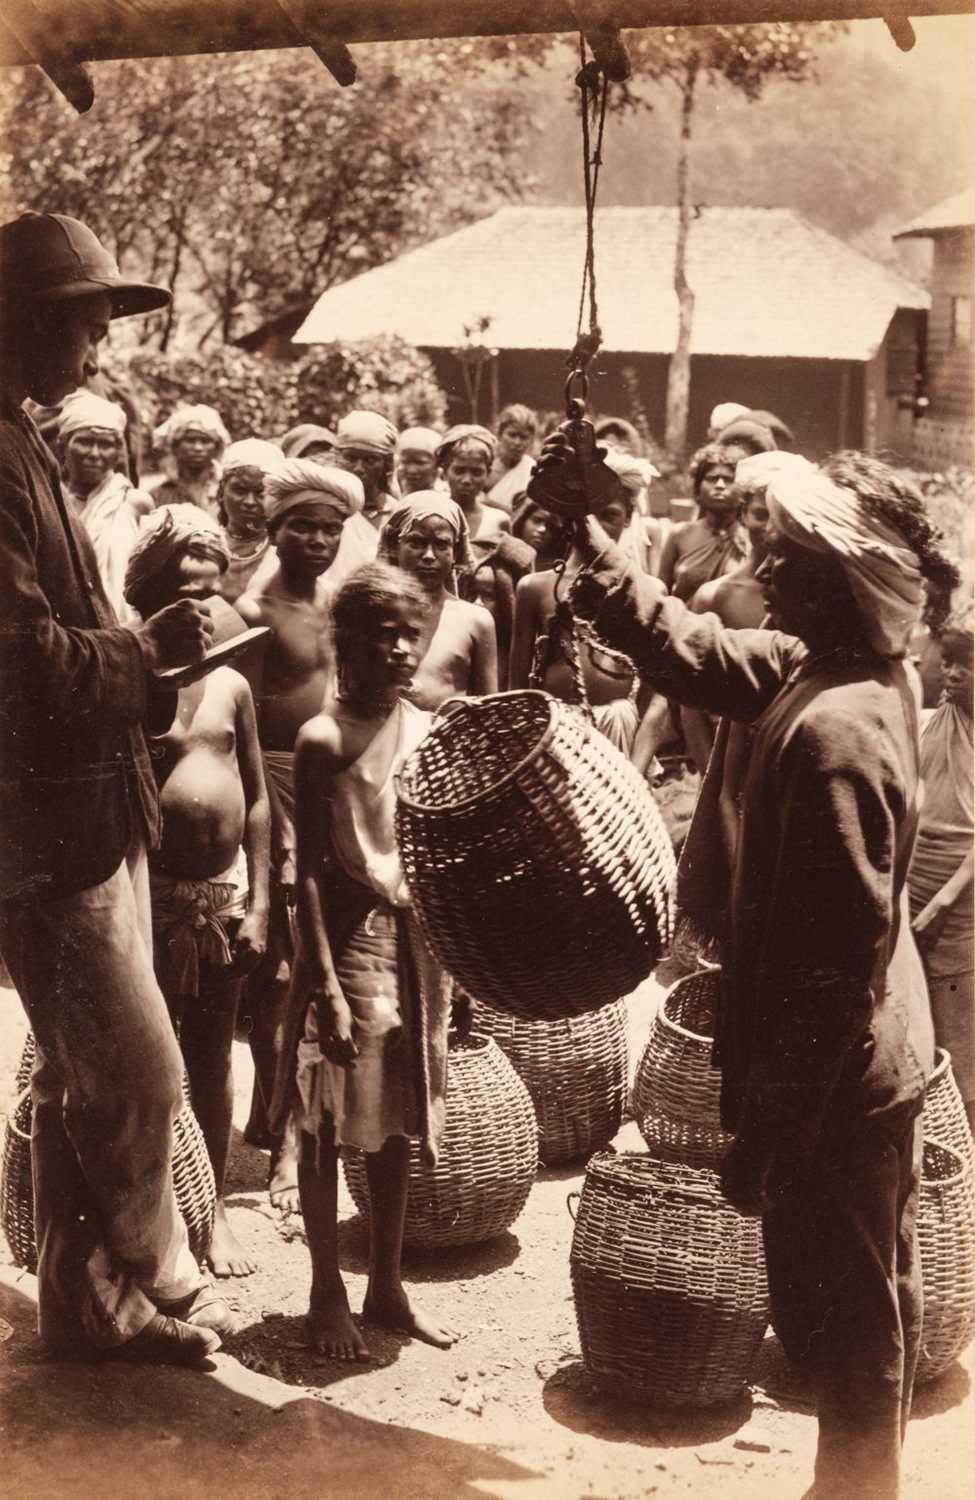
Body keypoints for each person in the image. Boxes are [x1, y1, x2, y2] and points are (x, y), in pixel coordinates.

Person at [536, 435, 955, 1500]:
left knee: (862, 1307)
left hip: (846, 1070)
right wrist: (586, 531)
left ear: (838, 577)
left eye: (783, 554)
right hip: (857, 1053)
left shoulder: (839, 733)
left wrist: (770, 1128)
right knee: (859, 1292)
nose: (760, 569)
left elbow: (834, 967)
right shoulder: (835, 671)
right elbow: (694, 649)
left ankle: (860, 1488)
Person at [0, 209, 233, 1365]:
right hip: (43, 833)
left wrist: (146, 644)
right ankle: (157, 1269)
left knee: (76, 1073)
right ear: (31, 325)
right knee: (138, 1071)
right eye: (86, 329)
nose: (99, 355)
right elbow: (20, 652)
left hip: (83, 814)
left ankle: (83, 1306)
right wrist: (146, 657)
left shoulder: (25, 439)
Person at [270, 562, 458, 1360]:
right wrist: (326, 991)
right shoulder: (323, 738)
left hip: (416, 951)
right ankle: (323, 1292)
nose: (404, 653)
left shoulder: (420, 725)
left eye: (412, 637)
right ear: (350, 644)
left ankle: (386, 1283)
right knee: (327, 1121)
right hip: (348, 948)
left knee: (399, 1125)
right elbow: (305, 869)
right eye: (386, 638)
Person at [124, 505, 271, 1278]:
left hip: (221, 898)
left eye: (211, 593)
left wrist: (262, 903)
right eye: (183, 593)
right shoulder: (132, 683)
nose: (200, 609)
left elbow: (256, 798)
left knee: (212, 1056)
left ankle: (211, 1215)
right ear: (150, 598)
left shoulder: (231, 686)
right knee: (151, 1058)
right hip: (150, 895)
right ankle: (157, 1219)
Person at [236, 457, 364, 1209]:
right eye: (303, 525)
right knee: (283, 975)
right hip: (279, 785)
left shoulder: (341, 606)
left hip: (332, 781)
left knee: (328, 962)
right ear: (272, 528)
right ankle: (283, 1142)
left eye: (330, 528)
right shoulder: (253, 609)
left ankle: (292, 1123)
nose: (317, 539)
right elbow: (244, 726)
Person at [510, 462, 651, 757]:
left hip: (620, 738)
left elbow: (659, 700)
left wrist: (636, 768)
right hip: (553, 737)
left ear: (628, 519)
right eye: (588, 516)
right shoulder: (535, 589)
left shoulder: (648, 591)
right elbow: (517, 689)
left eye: (609, 516)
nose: (596, 528)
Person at [909, 601, 974, 1132]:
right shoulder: (934, 722)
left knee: (960, 1032)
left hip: (962, 899)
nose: (950, 672)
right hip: (915, 881)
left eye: (966, 663)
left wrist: (945, 900)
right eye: (947, 660)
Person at [680, 476, 771, 774]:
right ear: (743, 514)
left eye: (781, 517)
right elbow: (690, 698)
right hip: (728, 755)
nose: (771, 527)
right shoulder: (714, 596)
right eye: (761, 514)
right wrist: (712, 776)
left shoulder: (806, 597)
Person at [377, 492, 498, 708]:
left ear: (455, 552)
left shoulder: (475, 620)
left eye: (442, 545)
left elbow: (488, 708)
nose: (429, 556)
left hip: (447, 739)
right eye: (417, 542)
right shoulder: (373, 612)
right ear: (395, 547)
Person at [56, 387, 154, 619]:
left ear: (119, 452)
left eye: (105, 444)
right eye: (85, 441)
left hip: (123, 624)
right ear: (62, 446)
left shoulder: (135, 503)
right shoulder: (51, 499)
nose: (94, 453)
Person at [657, 442, 750, 601]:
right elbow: (660, 595)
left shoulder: (750, 540)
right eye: (712, 478)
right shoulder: (679, 535)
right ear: (698, 488)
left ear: (742, 490)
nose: (720, 485)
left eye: (728, 479)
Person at [330, 410, 399, 578]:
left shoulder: (398, 514)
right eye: (351, 458)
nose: (359, 468)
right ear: (337, 457)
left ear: (387, 464)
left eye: (370, 460)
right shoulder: (327, 508)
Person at [215, 437, 285, 604]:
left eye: (260, 492)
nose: (249, 502)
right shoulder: (204, 542)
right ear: (221, 491)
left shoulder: (284, 548)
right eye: (240, 490)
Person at [436, 425, 510, 560]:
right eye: (459, 470)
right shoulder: (433, 514)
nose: (466, 480)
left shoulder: (498, 520)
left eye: (476, 472)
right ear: (445, 471)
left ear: (488, 473)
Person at [150, 404, 230, 519]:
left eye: (205, 441)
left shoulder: (227, 491)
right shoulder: (157, 495)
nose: (198, 447)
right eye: (190, 440)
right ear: (175, 446)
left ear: (217, 447)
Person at [487, 403, 537, 512]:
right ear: (500, 434)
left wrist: (488, 503)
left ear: (531, 440)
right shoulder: (486, 463)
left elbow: (527, 513)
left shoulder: (532, 470)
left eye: (523, 437)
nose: (517, 442)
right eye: (512, 435)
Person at [511, 493, 571, 572]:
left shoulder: (556, 567)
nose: (542, 529)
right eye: (537, 520)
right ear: (523, 520)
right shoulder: (504, 551)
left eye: (551, 526)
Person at [395, 425, 443, 496]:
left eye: (420, 463)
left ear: (437, 464)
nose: (411, 470)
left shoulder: (444, 500)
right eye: (405, 462)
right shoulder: (394, 499)